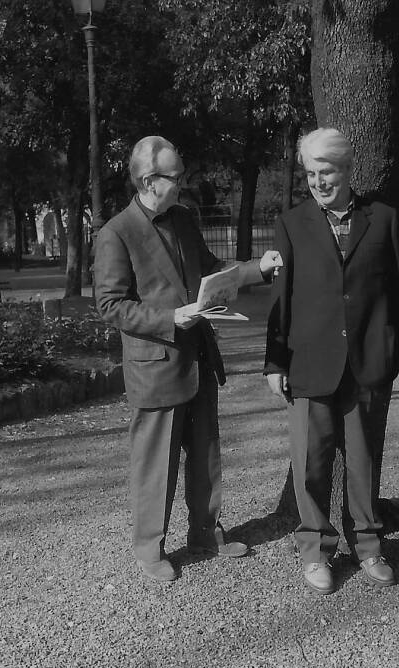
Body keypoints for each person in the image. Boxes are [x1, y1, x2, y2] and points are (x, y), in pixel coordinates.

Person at [95, 136, 282, 582]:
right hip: (155, 365)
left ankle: (205, 533)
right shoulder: (115, 233)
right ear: (147, 180)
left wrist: (258, 269)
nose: (183, 184)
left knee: (206, 454)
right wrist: (168, 318)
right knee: (155, 463)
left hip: (197, 356)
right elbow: (110, 305)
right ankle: (149, 547)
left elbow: (211, 268)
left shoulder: (182, 219)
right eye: (175, 177)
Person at [264, 128, 399, 595]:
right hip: (308, 363)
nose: (318, 181)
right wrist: (274, 362)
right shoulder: (292, 224)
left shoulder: (387, 220)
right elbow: (282, 299)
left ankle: (370, 545)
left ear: (348, 169)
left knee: (364, 461)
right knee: (312, 462)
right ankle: (316, 550)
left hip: (368, 362)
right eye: (311, 173)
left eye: (327, 171)